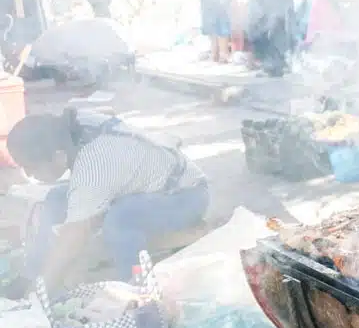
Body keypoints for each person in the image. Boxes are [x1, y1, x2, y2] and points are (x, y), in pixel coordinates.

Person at [6, 108, 209, 295]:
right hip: (143, 188)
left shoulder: (93, 168)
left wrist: (43, 292)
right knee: (55, 200)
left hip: (186, 195)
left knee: (120, 220)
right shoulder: (73, 126)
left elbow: (74, 238)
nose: (29, 174)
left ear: (58, 156)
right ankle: (32, 276)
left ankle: (136, 292)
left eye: (31, 167)